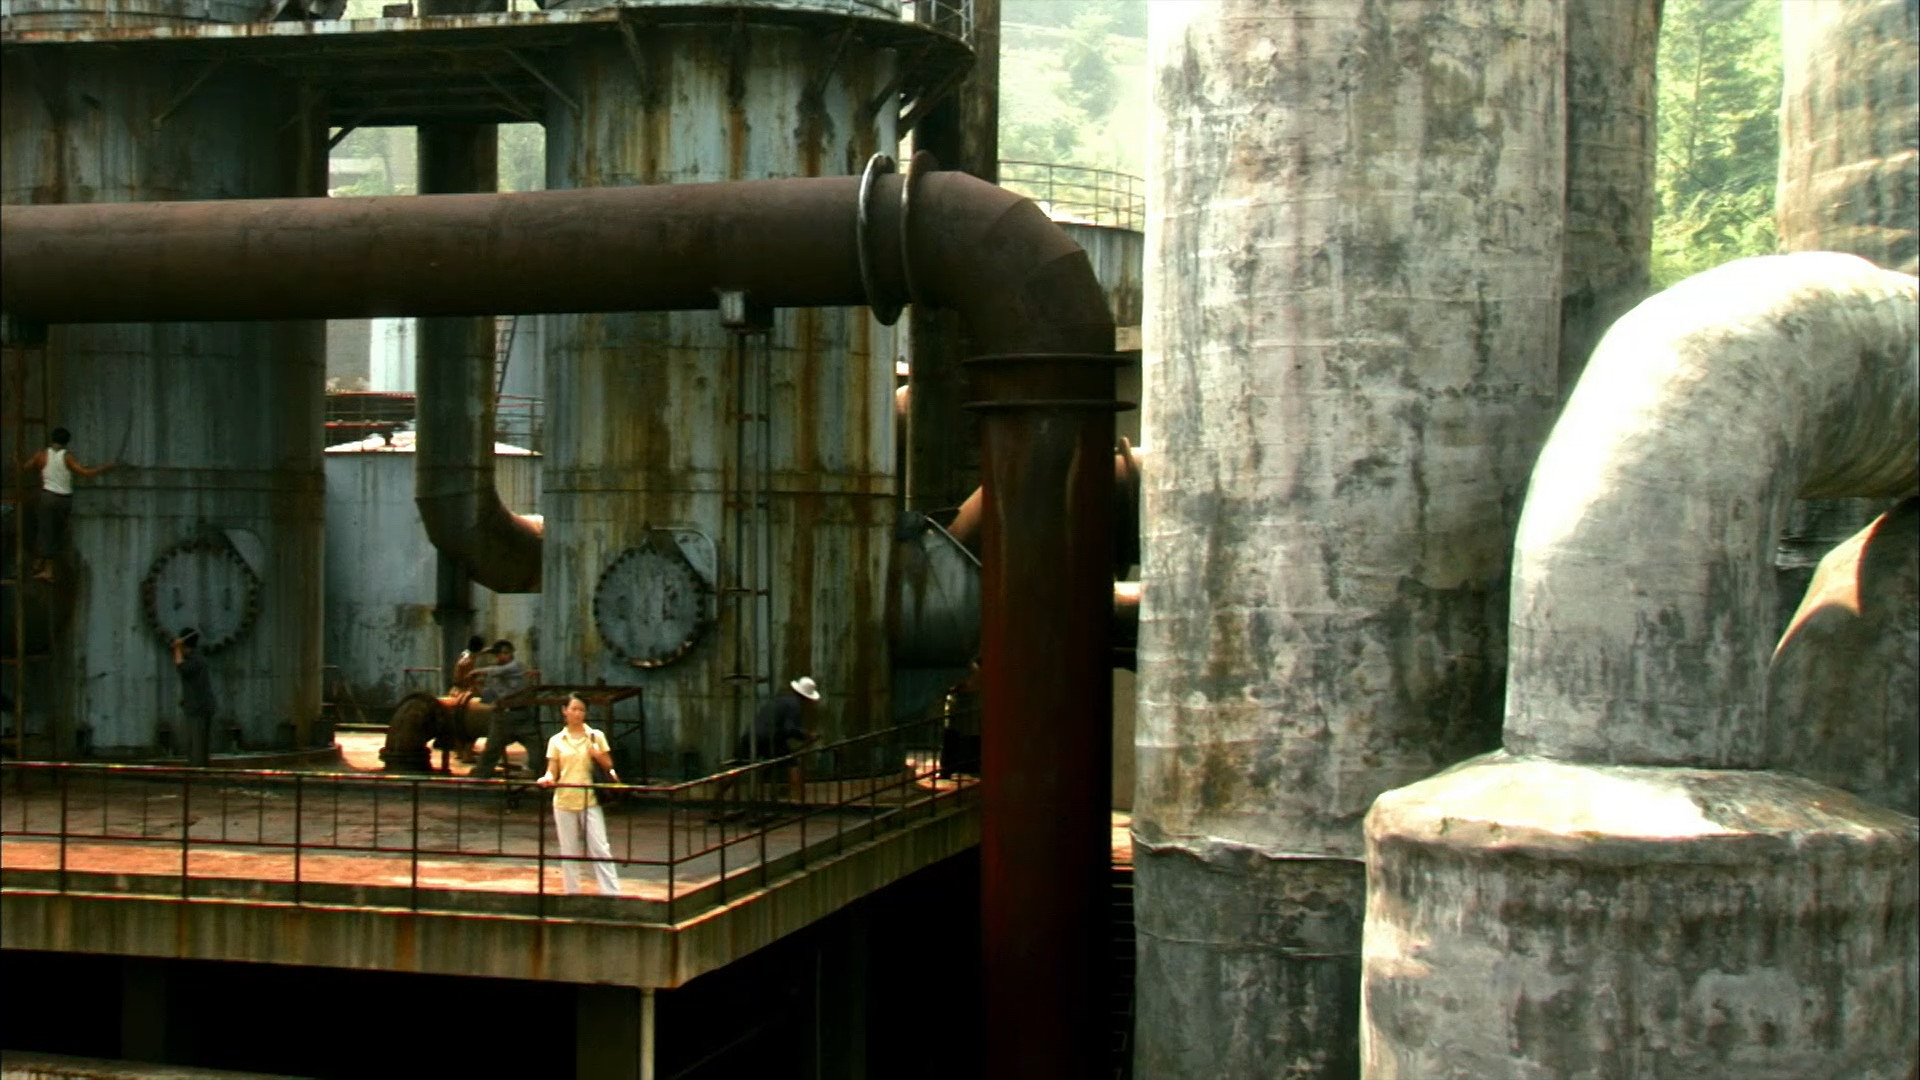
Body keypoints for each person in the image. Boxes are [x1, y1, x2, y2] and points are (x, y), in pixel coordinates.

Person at [537, 692, 621, 896]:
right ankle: (571, 892)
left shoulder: (595, 736)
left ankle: (611, 893)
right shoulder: (556, 740)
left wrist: (596, 754)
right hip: (564, 799)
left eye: (581, 709)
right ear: (565, 711)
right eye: (573, 709)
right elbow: (553, 768)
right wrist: (547, 778)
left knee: (600, 847)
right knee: (569, 851)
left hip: (589, 798)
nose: (577, 713)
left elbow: (609, 765)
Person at [19, 427, 114, 582]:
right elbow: (85, 473)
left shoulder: (42, 455)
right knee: (56, 532)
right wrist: (105, 467)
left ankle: (44, 567)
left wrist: (16, 459)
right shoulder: (67, 457)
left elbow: (25, 467)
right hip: (64, 499)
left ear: (52, 438)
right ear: (67, 441)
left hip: (48, 497)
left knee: (45, 531)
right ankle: (42, 565)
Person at [737, 675, 821, 801]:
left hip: (752, 734)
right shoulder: (795, 705)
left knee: (738, 767)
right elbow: (789, 728)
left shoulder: (780, 700)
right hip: (770, 738)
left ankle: (719, 795)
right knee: (792, 765)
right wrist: (807, 736)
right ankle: (797, 800)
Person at [468, 639, 537, 778]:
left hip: (521, 714)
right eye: (499, 654)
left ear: (511, 653)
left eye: (506, 653)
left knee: (536, 745)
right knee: (492, 748)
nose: (503, 657)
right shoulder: (494, 674)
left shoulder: (516, 666)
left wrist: (477, 671)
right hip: (502, 717)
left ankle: (538, 771)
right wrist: (478, 687)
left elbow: (502, 670)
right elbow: (489, 696)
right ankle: (481, 775)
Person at [170, 628, 218, 767]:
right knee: (195, 744)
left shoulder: (196, 660)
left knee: (198, 746)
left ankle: (198, 773)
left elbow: (182, 669)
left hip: (199, 708)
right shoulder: (196, 659)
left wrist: (177, 649)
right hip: (196, 706)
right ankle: (198, 770)